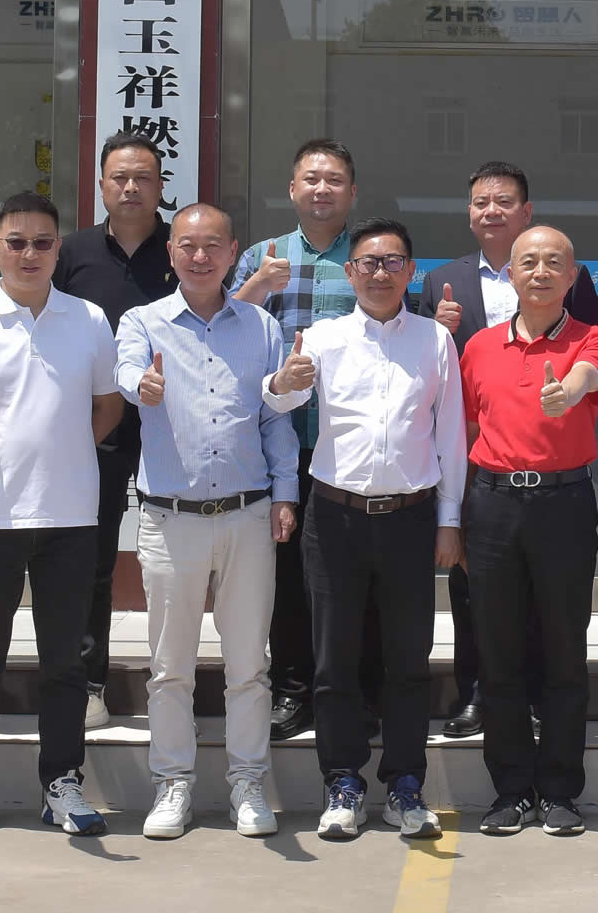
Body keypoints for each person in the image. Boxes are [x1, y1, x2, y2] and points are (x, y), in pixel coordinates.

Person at [0, 191, 122, 841]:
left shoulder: (88, 319)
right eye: (17, 242)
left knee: (65, 663)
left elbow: (108, 405)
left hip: (70, 518)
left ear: (58, 249)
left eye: (42, 242)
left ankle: (61, 783)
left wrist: (64, 453)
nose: (30, 254)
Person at [113, 203, 310, 840]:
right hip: (171, 520)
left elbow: (275, 418)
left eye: (213, 246)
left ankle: (248, 782)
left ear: (233, 254)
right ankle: (172, 784)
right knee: (169, 665)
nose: (200, 258)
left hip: (248, 515)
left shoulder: (261, 325)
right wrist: (140, 385)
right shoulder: (143, 322)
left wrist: (285, 494)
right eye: (188, 246)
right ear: (171, 252)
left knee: (249, 663)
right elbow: (125, 371)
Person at [416, 161, 598, 738]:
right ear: (469, 212)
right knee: (476, 597)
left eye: (503, 201)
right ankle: (477, 695)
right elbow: (432, 375)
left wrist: (570, 388)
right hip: (483, 470)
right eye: (480, 202)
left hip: (554, 473)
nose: (491, 211)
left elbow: (592, 353)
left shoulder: (567, 278)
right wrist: (436, 325)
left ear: (526, 211)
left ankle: (544, 700)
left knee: (553, 606)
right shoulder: (442, 280)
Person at [298, 217, 467, 842]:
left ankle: (404, 783)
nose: (379, 272)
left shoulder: (434, 340)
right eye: (368, 262)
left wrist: (450, 520)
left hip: (410, 518)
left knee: (407, 659)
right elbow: (281, 400)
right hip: (334, 518)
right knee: (334, 660)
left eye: (393, 261)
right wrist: (282, 385)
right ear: (350, 272)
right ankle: (342, 782)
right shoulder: (323, 337)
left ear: (410, 272)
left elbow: (451, 436)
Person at [458, 225, 598, 837]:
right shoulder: (478, 347)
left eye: (554, 263)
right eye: (529, 262)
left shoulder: (593, 338)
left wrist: (568, 389)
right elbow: (467, 429)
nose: (541, 272)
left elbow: (591, 376)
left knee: (563, 651)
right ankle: (510, 790)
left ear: (573, 277)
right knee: (498, 652)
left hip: (563, 505)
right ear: (512, 275)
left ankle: (559, 791)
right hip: (493, 505)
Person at [231, 138, 366, 742]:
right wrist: (258, 285)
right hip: (279, 441)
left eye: (333, 179)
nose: (321, 188)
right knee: (285, 572)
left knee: (351, 574)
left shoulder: (369, 257)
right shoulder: (263, 256)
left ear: (352, 192)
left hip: (349, 444)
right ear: (292, 189)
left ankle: (351, 687)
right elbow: (220, 325)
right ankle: (290, 687)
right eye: (311, 178)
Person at [54, 132, 179, 730]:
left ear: (161, 186)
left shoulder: (183, 248)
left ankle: (175, 690)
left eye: (143, 178)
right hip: (93, 425)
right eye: (119, 178)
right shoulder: (71, 253)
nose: (131, 188)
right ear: (101, 185)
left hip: (172, 426)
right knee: (92, 557)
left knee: (179, 561)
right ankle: (88, 683)